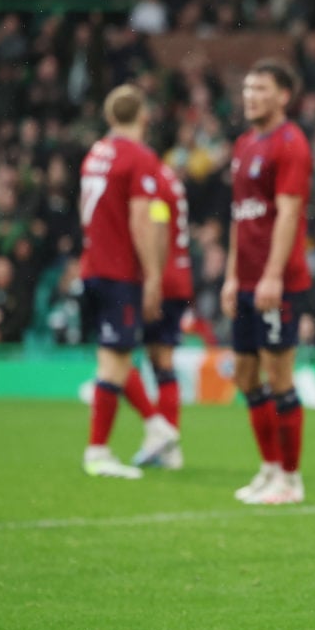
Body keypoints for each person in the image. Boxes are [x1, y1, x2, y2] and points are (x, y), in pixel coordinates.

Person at [223, 59, 313, 505]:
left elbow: (289, 211)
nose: (251, 96)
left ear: (283, 96)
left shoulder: (290, 143)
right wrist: (230, 276)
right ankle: (270, 467)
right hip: (246, 281)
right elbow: (239, 218)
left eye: (260, 88)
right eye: (247, 88)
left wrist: (273, 275)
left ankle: (291, 480)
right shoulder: (243, 145)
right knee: (244, 374)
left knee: (278, 374)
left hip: (280, 281)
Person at [78, 84, 168, 479]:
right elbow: (140, 220)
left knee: (112, 357)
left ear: (110, 117)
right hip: (118, 272)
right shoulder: (140, 157)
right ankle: (98, 451)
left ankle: (155, 425)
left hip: (93, 266)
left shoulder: (96, 153)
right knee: (115, 363)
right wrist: (152, 275)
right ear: (144, 116)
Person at [124, 162, 194, 470]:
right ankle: (169, 450)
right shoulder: (172, 181)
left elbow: (159, 225)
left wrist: (153, 277)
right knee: (163, 363)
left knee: (117, 356)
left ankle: (159, 429)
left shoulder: (154, 182)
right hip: (180, 275)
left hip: (161, 278)